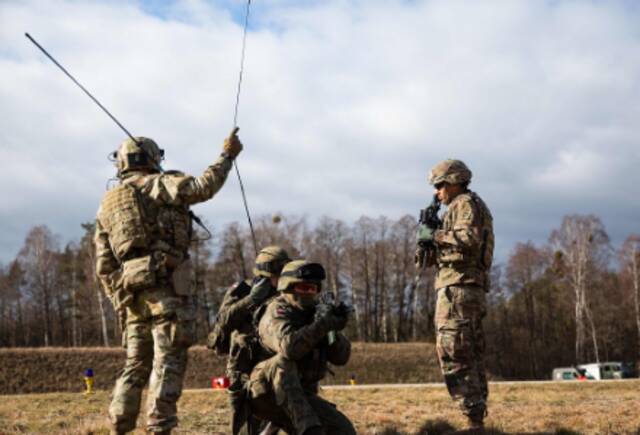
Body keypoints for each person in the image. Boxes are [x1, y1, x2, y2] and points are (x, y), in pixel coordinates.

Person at [94, 129, 243, 434]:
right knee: (168, 363)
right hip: (167, 293)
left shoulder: (107, 204)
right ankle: (159, 428)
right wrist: (227, 156)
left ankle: (118, 427)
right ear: (151, 159)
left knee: (135, 366)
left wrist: (121, 299)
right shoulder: (159, 183)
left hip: (132, 296)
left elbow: (104, 264)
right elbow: (203, 187)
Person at [415, 159, 494, 431]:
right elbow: (427, 261)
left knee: (454, 350)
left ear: (455, 181)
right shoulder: (460, 207)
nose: (437, 192)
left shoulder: (465, 204)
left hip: (459, 288)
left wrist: (435, 234)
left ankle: (473, 419)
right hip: (459, 287)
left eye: (440, 186)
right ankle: (475, 419)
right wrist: (426, 238)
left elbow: (469, 239)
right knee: (468, 351)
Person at [247, 260, 355, 435]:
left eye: (313, 289)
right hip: (264, 393)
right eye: (303, 288)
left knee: (343, 430)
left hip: (301, 396)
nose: (309, 293)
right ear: (288, 287)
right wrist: (321, 325)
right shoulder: (277, 311)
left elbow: (341, 358)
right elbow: (289, 348)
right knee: (283, 361)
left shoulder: (316, 314)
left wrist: (332, 330)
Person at [207, 245, 291, 434]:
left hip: (272, 362)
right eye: (279, 274)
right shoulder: (242, 290)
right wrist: (251, 299)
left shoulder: (285, 293)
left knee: (277, 413)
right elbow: (222, 322)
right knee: (245, 418)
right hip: (243, 364)